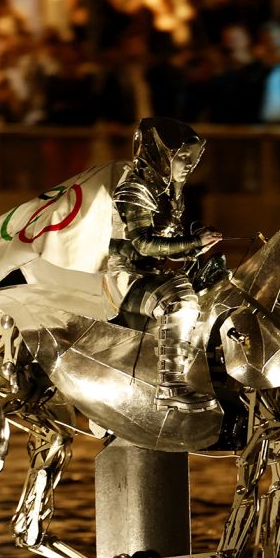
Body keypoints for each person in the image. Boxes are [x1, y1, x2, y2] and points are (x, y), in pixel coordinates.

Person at [108, 118, 222, 411]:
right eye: (182, 157)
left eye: (192, 159)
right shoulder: (135, 189)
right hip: (125, 278)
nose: (188, 165)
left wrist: (196, 246)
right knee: (181, 299)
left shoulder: (169, 191)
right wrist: (193, 244)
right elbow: (144, 245)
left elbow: (165, 249)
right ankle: (170, 384)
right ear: (162, 154)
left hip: (149, 274)